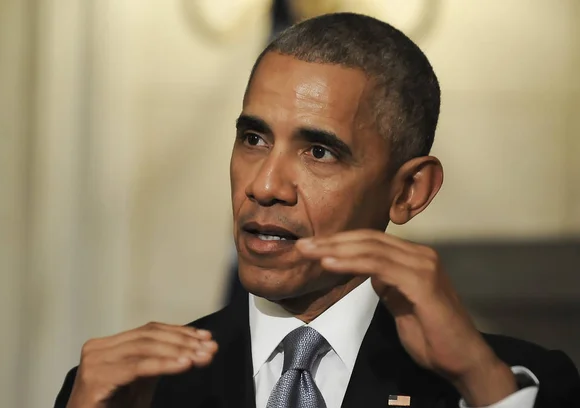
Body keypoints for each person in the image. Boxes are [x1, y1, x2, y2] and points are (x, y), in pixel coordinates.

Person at [54, 12, 580, 408]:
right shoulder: (130, 389)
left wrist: (476, 378)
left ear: (410, 191)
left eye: (319, 152)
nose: (264, 185)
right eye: (254, 138)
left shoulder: (516, 384)